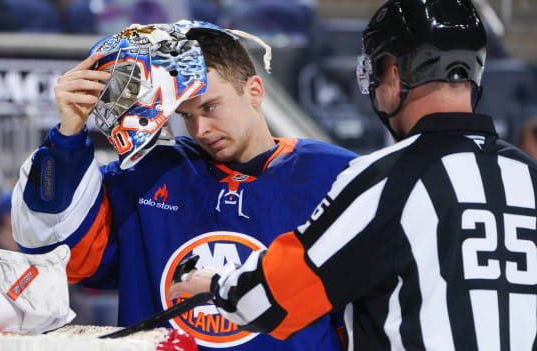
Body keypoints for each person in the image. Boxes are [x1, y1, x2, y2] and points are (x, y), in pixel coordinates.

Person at [168, 1, 537, 350]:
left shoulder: (385, 179)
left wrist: (218, 285)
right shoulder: (530, 178)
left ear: (393, 73)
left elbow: (273, 298)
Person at [12, 21, 357, 350]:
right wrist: (68, 136)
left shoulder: (335, 174)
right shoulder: (148, 175)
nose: (200, 129)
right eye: (187, 115)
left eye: (210, 107)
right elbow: (58, 254)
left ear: (254, 92)